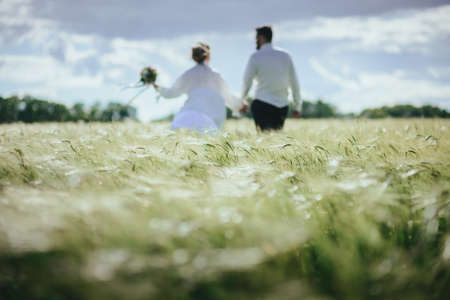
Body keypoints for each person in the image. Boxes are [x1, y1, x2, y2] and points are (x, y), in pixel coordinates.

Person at [152, 43, 242, 133]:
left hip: (190, 113)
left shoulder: (188, 74)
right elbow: (227, 95)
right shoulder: (215, 75)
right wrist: (239, 105)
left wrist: (157, 87)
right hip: (212, 116)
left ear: (193, 57)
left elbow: (172, 93)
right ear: (208, 56)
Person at [240, 25, 302, 131]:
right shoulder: (285, 56)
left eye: (256, 38)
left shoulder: (255, 56)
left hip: (262, 104)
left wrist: (241, 101)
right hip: (282, 106)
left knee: (264, 139)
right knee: (275, 141)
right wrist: (297, 106)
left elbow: (247, 82)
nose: (256, 41)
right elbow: (294, 82)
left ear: (262, 37)